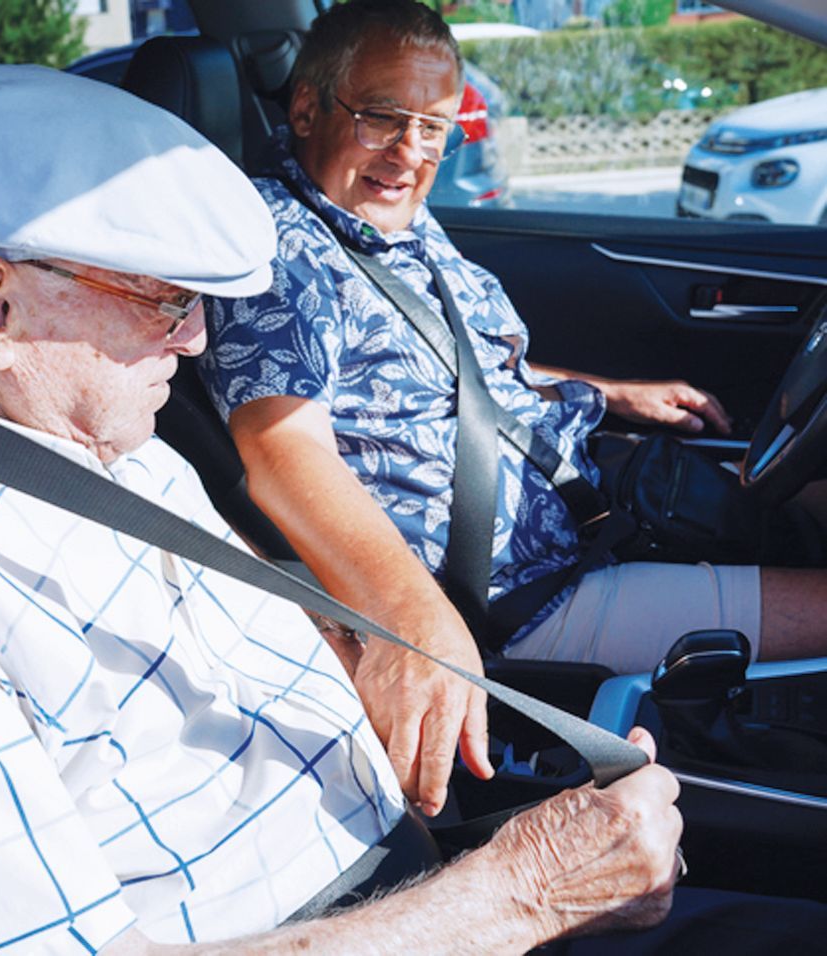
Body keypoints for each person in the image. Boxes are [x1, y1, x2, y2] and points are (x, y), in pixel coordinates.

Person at [0, 63, 827, 954]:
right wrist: (524, 891)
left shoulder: (118, 453)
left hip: (419, 883)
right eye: (166, 300)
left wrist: (383, 658)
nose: (198, 340)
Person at [198, 0, 827, 819]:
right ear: (308, 108)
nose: (409, 152)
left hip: (583, 505)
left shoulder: (385, 217)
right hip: (525, 599)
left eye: (432, 127)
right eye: (381, 117)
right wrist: (417, 621)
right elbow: (283, 448)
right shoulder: (281, 250)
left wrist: (609, 393)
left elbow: (465, 365)